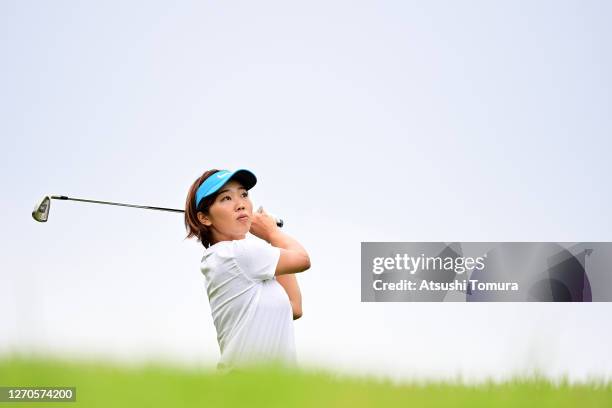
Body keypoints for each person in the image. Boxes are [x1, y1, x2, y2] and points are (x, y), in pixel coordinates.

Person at [184, 168, 311, 371]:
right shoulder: (235, 253)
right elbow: (302, 259)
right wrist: (271, 231)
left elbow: (294, 307)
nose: (240, 204)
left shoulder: (241, 258)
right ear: (205, 218)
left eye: (244, 194)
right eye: (226, 198)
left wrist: (271, 236)